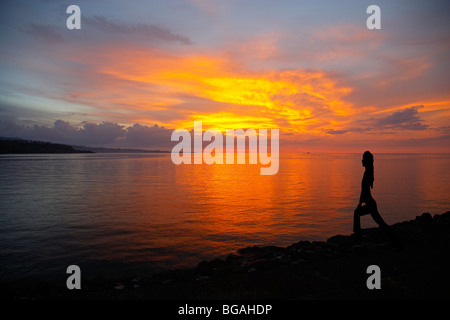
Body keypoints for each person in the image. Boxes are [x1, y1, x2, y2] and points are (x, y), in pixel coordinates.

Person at [353, 151, 403, 250]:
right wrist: (360, 203)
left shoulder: (368, 173)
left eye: (363, 158)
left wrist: (359, 203)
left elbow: (364, 191)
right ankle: (396, 240)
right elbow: (364, 191)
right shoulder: (367, 172)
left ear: (366, 161)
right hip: (370, 203)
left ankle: (358, 236)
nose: (361, 160)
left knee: (380, 223)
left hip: (370, 204)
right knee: (379, 222)